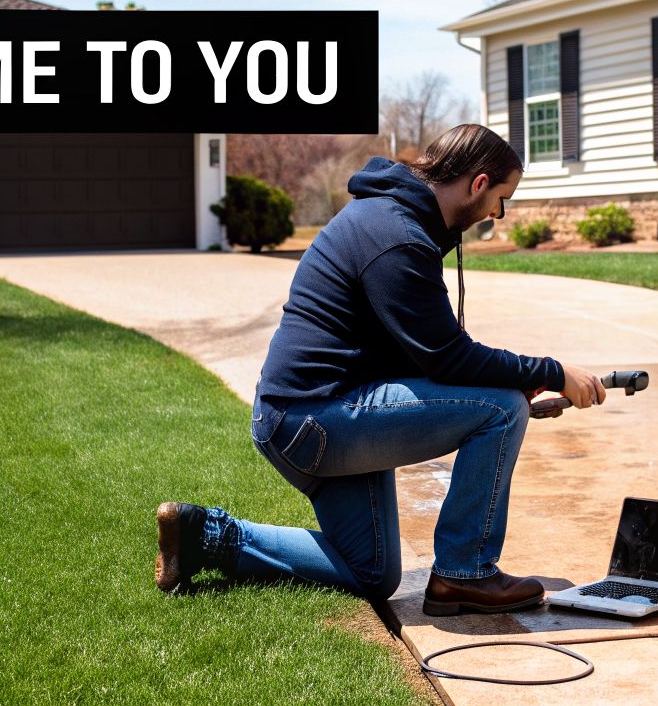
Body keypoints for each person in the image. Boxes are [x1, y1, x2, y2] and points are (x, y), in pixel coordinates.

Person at [154, 123, 606, 615]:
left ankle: (205, 536)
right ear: (478, 184)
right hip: (314, 419)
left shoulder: (390, 218)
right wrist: (551, 370)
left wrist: (520, 388)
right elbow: (448, 357)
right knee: (498, 410)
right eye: (502, 198)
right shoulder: (398, 236)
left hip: (301, 416)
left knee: (371, 572)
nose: (498, 212)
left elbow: (425, 355)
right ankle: (466, 573)